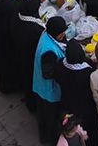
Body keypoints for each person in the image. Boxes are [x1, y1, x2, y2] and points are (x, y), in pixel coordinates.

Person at [54, 42, 98, 146]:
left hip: (68, 103)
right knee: (90, 129)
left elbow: (57, 78)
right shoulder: (87, 72)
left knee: (75, 126)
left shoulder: (60, 64)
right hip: (86, 106)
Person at [33, 16, 67, 144]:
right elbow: (48, 73)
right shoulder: (49, 51)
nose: (63, 35)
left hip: (43, 87)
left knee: (45, 114)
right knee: (50, 117)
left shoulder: (47, 35)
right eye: (61, 33)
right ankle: (51, 139)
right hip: (48, 90)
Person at [14, 0, 44, 110]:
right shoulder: (34, 29)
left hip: (21, 54)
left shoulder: (18, 17)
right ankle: (32, 104)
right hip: (31, 58)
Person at [0, 0, 19, 94]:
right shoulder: (11, 5)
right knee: (9, 62)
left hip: (0, 35)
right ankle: (10, 86)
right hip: (8, 38)